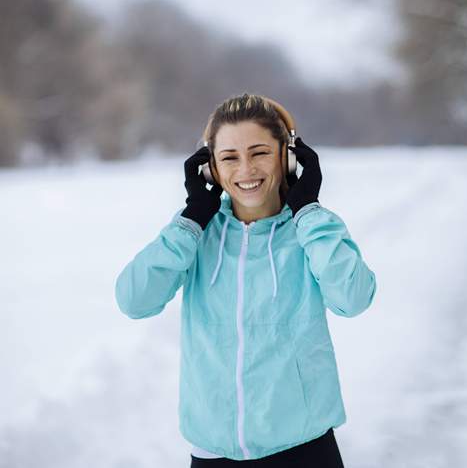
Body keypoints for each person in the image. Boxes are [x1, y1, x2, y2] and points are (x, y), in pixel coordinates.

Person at [115, 93, 377, 466]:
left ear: (286, 158)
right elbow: (134, 300)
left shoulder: (311, 229)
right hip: (213, 453)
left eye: (259, 153)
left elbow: (353, 298)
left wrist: (307, 210)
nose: (246, 170)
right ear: (211, 169)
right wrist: (191, 219)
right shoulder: (195, 234)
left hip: (303, 448)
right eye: (230, 158)